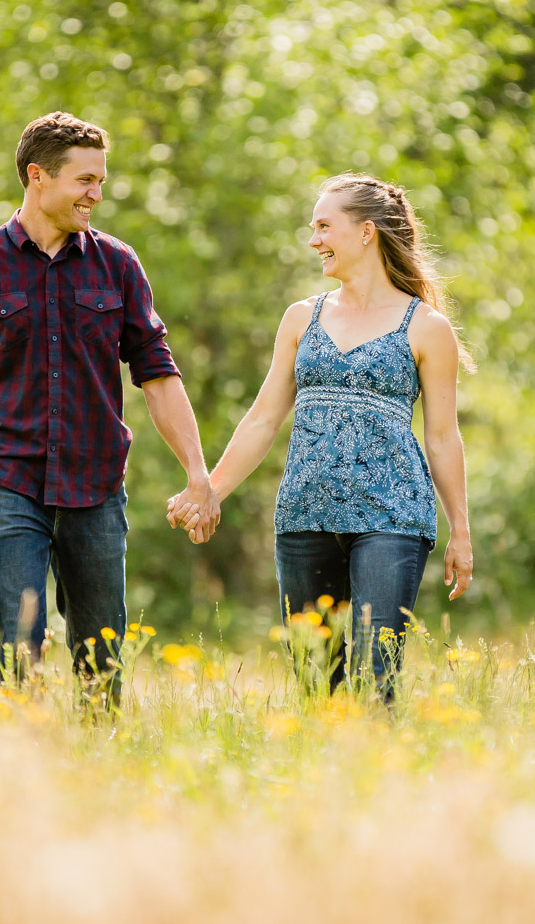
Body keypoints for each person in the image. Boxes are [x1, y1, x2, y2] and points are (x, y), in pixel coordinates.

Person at [0, 112, 218, 701]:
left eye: (100, 180)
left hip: (96, 486)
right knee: (18, 644)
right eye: (85, 180)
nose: (97, 194)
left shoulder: (118, 264)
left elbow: (157, 374)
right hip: (9, 483)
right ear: (38, 176)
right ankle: (24, 772)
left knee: (101, 651)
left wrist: (198, 472)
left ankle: (99, 766)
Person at [172, 174, 473, 701]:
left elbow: (443, 437)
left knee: (375, 677)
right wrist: (210, 490)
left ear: (366, 233)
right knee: (316, 681)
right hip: (303, 514)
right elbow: (264, 418)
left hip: (392, 517)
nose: (313, 240)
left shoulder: (426, 327)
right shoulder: (300, 318)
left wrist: (461, 531)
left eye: (324, 226)